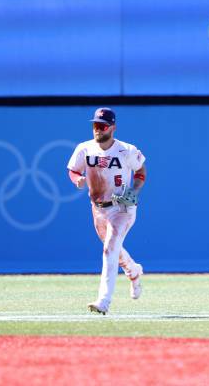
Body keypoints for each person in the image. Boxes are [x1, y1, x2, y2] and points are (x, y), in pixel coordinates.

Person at [67, 107, 146, 315]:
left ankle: (103, 301)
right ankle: (133, 270)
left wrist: (135, 190)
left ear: (113, 128)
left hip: (122, 207)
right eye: (95, 125)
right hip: (98, 209)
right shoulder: (85, 149)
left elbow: (140, 171)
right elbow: (73, 170)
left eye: (102, 126)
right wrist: (78, 180)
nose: (97, 130)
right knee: (114, 250)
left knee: (109, 248)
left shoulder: (126, 150)